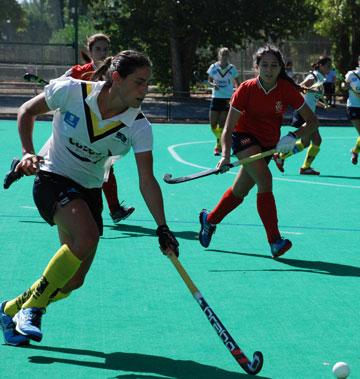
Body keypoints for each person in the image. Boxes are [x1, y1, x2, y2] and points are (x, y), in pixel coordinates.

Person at [0, 50, 179, 346]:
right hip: (52, 177)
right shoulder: (71, 90)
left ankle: (10, 310)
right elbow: (26, 111)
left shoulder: (138, 126)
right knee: (88, 236)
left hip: (89, 191)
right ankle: (33, 309)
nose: (145, 90)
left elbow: (147, 180)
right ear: (117, 78)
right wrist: (28, 153)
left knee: (73, 281)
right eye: (139, 82)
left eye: (148, 84)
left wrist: (163, 227)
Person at [198, 45, 319, 258]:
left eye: (274, 65)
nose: (269, 70)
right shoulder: (245, 89)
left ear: (280, 67)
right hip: (243, 138)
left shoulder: (286, 89)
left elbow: (312, 121)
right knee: (265, 180)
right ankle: (275, 241)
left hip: (268, 143)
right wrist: (225, 155)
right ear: (257, 67)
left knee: (240, 191)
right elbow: (227, 128)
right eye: (264, 65)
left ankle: (210, 221)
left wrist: (292, 137)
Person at [63, 33, 135, 223]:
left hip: (101, 129)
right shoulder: (78, 71)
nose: (102, 52)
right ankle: (19, 168)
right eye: (98, 49)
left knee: (105, 167)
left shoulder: (114, 72)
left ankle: (114, 209)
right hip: (77, 127)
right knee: (60, 165)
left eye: (105, 49)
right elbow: (60, 85)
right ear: (90, 51)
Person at [273, 56, 332, 175]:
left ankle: (281, 156)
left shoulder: (320, 78)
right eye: (327, 66)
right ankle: (304, 167)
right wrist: (314, 91)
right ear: (320, 65)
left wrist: (322, 105)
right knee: (317, 140)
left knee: (305, 143)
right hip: (304, 112)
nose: (329, 68)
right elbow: (300, 88)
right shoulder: (314, 76)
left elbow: (312, 98)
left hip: (308, 112)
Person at [207, 47, 240, 156]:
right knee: (212, 125)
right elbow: (209, 80)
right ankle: (222, 140)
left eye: (226, 55)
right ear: (219, 56)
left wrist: (237, 93)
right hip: (216, 98)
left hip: (227, 98)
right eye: (222, 55)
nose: (224, 57)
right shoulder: (214, 67)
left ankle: (218, 146)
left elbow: (237, 83)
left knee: (221, 125)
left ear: (228, 56)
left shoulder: (232, 68)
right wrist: (213, 85)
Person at [342, 55, 360, 165]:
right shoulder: (351, 74)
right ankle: (355, 151)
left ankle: (355, 151)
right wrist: (345, 85)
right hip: (353, 106)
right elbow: (344, 86)